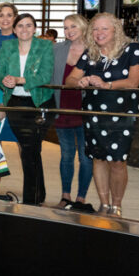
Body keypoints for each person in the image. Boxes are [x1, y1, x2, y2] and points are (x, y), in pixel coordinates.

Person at [65, 12, 139, 217]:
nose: (99, 33)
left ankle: (116, 205)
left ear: (115, 30)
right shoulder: (90, 53)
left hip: (122, 115)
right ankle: (104, 204)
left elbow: (133, 82)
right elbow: (70, 80)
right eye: (95, 29)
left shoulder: (131, 50)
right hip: (93, 115)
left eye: (104, 28)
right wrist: (79, 82)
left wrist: (107, 84)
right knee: (98, 158)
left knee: (118, 160)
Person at [0, 13, 54, 205]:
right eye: (20, 26)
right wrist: (4, 80)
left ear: (35, 29)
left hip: (39, 105)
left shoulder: (44, 46)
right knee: (30, 150)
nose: (24, 29)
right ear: (14, 29)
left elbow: (46, 75)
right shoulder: (8, 46)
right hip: (16, 104)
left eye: (29, 25)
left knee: (30, 149)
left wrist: (20, 80)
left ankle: (31, 198)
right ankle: (37, 195)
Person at [52, 14, 93, 211]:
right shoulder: (57, 50)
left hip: (87, 110)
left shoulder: (95, 51)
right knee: (66, 155)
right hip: (63, 107)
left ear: (84, 26)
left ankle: (81, 198)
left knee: (86, 157)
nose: (69, 31)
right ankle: (65, 195)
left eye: (73, 26)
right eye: (66, 27)